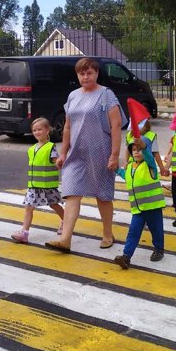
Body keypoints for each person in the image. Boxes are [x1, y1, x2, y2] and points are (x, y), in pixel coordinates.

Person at [45, 57, 122, 253]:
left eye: (89, 72)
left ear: (96, 73)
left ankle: (107, 233)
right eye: (82, 73)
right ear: (77, 75)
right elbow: (68, 127)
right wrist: (62, 153)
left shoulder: (106, 95)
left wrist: (114, 155)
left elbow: (116, 126)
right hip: (75, 153)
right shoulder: (73, 96)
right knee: (71, 193)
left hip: (100, 151)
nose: (85, 76)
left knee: (102, 195)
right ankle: (65, 239)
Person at [113, 138, 166, 269]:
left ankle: (159, 249)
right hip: (138, 209)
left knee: (156, 230)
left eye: (140, 150)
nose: (136, 152)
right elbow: (125, 175)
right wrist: (115, 169)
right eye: (134, 150)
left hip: (152, 207)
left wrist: (145, 148)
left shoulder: (150, 165)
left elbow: (149, 156)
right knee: (133, 232)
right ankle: (126, 256)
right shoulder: (131, 167)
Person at [11, 117, 65, 244]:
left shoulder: (51, 147)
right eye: (34, 130)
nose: (37, 132)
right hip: (34, 185)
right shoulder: (31, 149)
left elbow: (55, 161)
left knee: (54, 204)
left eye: (40, 129)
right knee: (29, 207)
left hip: (48, 185)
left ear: (47, 130)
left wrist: (59, 162)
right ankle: (24, 233)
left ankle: (66, 222)